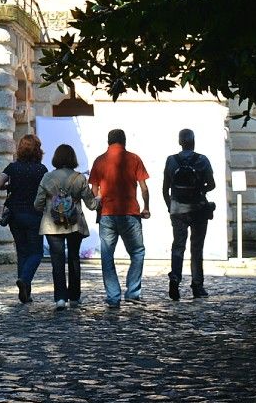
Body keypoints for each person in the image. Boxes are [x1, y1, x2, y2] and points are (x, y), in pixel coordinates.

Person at [88, 128, 152, 306]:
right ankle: (132, 292)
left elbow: (94, 191)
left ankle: (113, 296)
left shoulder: (99, 161)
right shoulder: (134, 159)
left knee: (107, 256)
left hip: (107, 214)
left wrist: (97, 208)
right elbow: (144, 188)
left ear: (108, 142)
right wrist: (146, 207)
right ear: (124, 141)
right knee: (137, 252)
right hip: (130, 212)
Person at [33, 144, 98, 309]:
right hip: (75, 224)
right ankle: (75, 297)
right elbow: (91, 204)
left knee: (57, 260)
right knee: (74, 259)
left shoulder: (47, 177)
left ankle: (60, 298)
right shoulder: (79, 178)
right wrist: (100, 198)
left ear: (56, 158)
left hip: (52, 224)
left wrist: (50, 207)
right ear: (73, 159)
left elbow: (37, 204)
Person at [0, 134, 48, 303]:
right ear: (37, 150)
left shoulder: (13, 167)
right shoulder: (41, 170)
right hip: (35, 215)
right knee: (37, 252)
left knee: (22, 252)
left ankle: (25, 293)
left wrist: (11, 185)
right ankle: (24, 280)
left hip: (15, 216)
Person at [163, 128, 217, 300]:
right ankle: (197, 285)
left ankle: (175, 278)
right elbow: (212, 184)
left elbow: (165, 189)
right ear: (194, 141)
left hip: (178, 210)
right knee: (196, 248)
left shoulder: (171, 161)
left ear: (180, 142)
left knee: (178, 246)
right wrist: (200, 189)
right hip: (198, 209)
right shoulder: (202, 160)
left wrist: (170, 207)